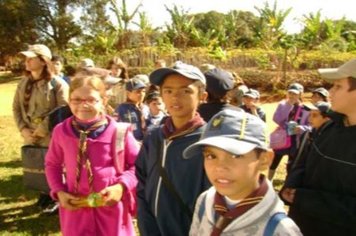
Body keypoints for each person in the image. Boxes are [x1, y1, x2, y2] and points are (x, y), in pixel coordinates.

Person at [45, 75, 140, 236]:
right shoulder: (61, 131)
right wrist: (59, 191)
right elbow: (52, 164)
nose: (84, 105)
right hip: (75, 210)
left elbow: (138, 165)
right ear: (69, 101)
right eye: (76, 100)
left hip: (111, 210)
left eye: (91, 99)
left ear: (104, 101)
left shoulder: (119, 132)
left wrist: (121, 186)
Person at [183, 109, 302, 235]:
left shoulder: (280, 230)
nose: (220, 167)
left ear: (264, 160)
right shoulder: (205, 200)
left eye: (235, 155)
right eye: (211, 156)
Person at [279, 59, 356, 235]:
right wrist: (290, 186)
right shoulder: (329, 127)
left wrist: (306, 199)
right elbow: (304, 162)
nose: (330, 92)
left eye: (338, 86)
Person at [135, 62, 211, 236]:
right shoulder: (154, 137)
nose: (175, 98)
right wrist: (146, 222)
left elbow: (212, 197)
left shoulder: (209, 141)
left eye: (186, 91)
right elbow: (141, 180)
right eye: (168, 91)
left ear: (202, 96)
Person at [13, 44, 69, 213]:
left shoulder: (57, 84)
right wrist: (23, 129)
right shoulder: (23, 83)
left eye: (31, 58)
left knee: (56, 166)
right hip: (30, 134)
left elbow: (64, 109)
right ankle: (45, 194)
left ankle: (58, 198)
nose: (27, 61)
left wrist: (43, 129)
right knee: (38, 165)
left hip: (52, 135)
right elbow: (16, 108)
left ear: (44, 61)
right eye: (26, 58)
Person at [268, 83, 310, 181]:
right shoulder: (282, 105)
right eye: (290, 93)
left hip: (296, 140)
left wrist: (302, 128)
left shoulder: (306, 110)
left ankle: (288, 182)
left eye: (295, 93)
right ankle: (269, 181)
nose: (292, 96)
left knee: (291, 164)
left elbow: (311, 125)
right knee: (274, 161)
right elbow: (276, 119)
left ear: (300, 94)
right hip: (282, 138)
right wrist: (288, 106)